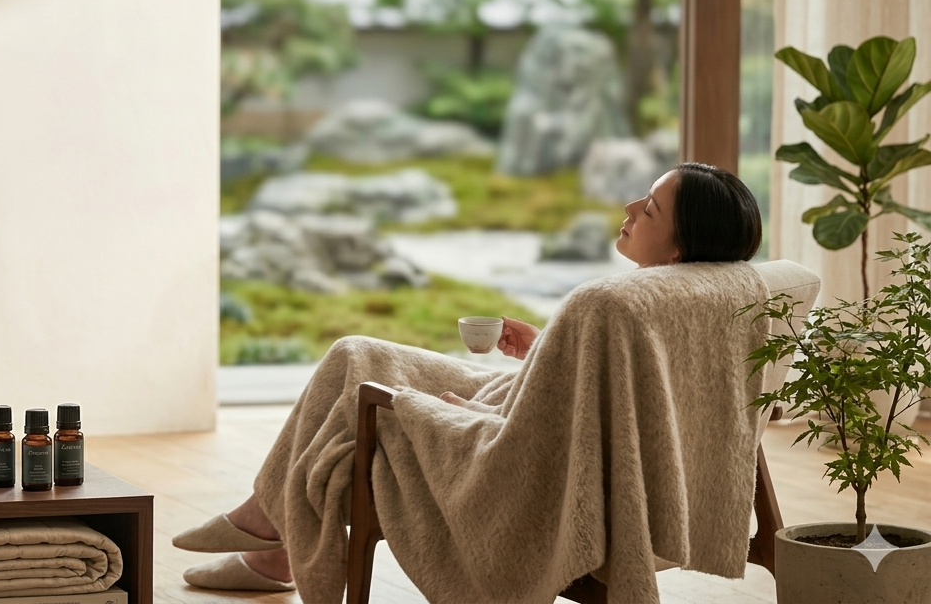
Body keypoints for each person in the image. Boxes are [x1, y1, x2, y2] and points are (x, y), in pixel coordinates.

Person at [175, 162, 764, 591]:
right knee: (355, 352)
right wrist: (544, 350)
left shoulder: (611, 301)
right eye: (642, 197)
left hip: (513, 461)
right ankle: (272, 533)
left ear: (678, 252)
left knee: (364, 394)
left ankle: (265, 531)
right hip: (523, 408)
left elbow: (544, 442)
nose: (631, 210)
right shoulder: (691, 300)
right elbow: (610, 394)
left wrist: (460, 412)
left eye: (651, 209)